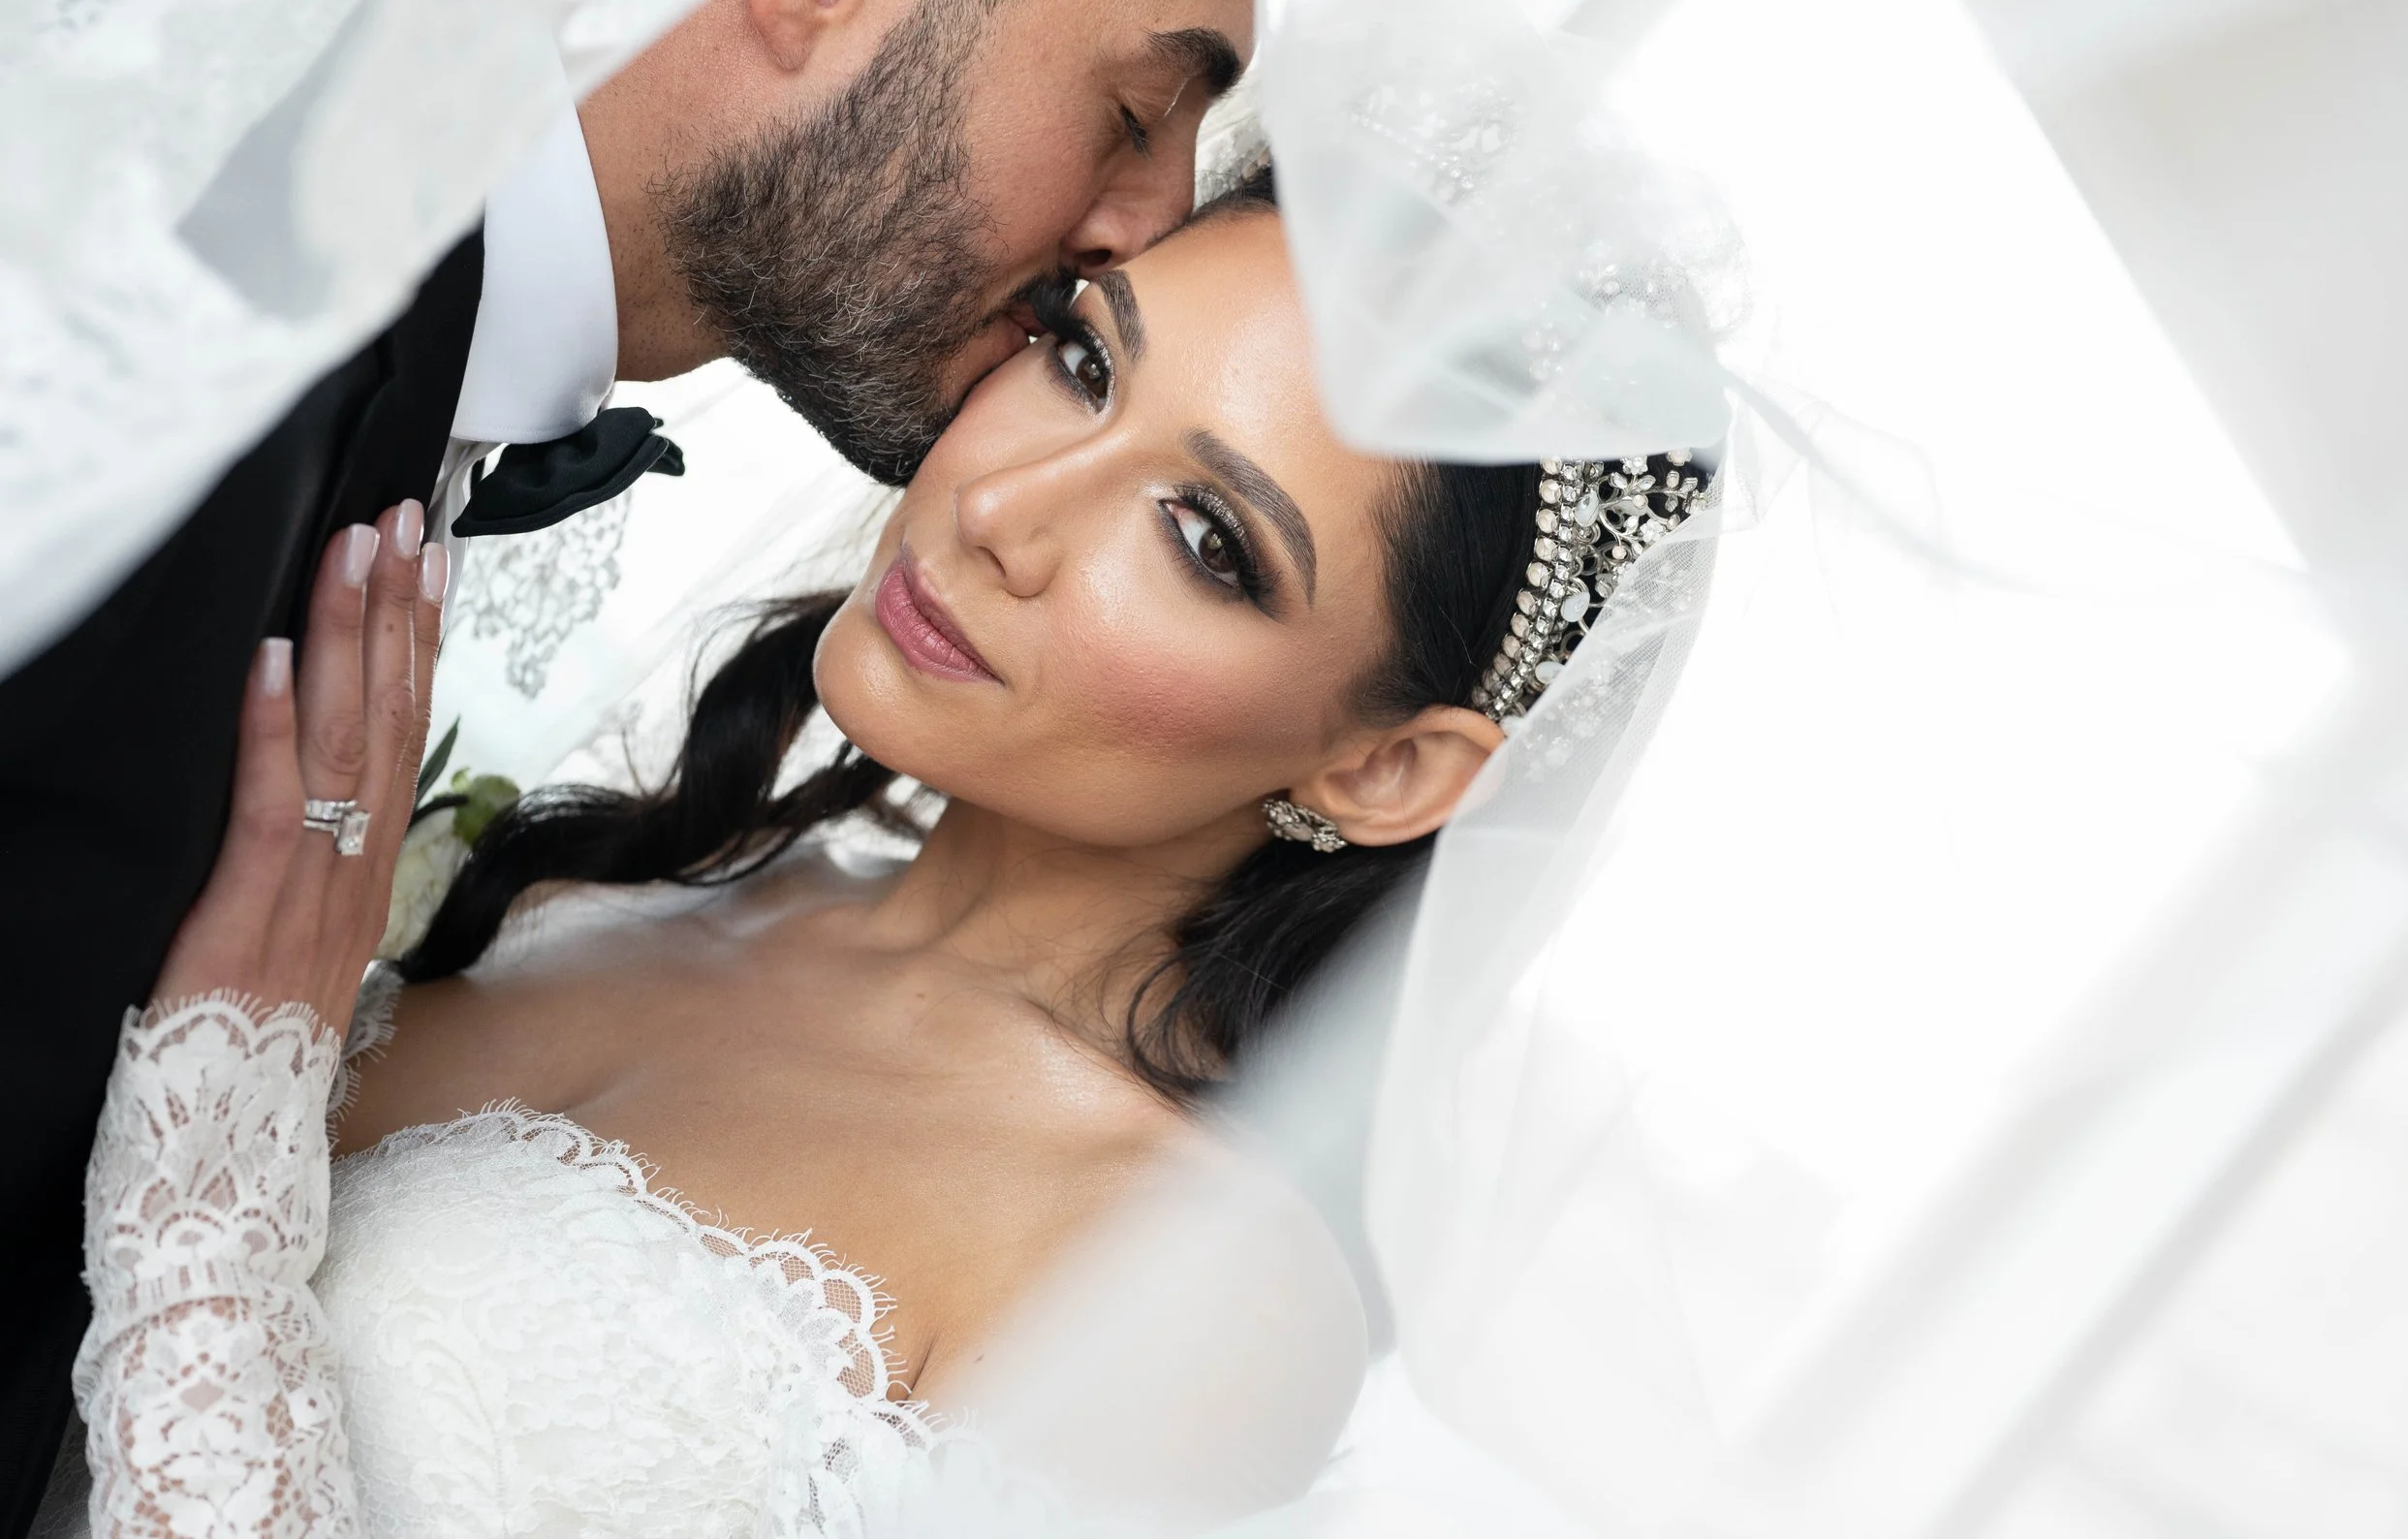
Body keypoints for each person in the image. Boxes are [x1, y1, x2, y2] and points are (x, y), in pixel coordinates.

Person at [50, 176, 1709, 1533]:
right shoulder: (673, 861)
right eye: (1082, 359)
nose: (1005, 503)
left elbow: (204, 1220)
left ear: (1384, 763)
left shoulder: (1201, 1300)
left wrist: (206, 1196)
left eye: (1204, 538)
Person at [0, 0, 1250, 1521]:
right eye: (1138, 112)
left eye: (1212, 542)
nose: (1145, 227)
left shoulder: (1166, 1281)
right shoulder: (176, 288)